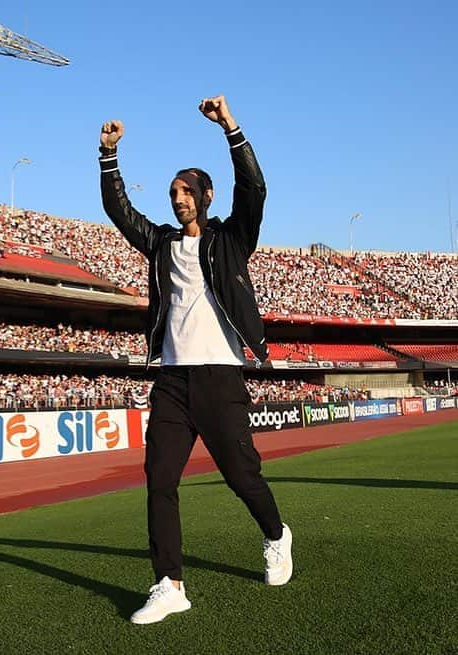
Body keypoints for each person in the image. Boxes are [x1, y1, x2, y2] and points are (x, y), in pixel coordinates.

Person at [99, 96, 293, 625]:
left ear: (206, 196)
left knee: (241, 477)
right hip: (171, 379)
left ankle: (277, 536)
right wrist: (108, 155)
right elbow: (120, 212)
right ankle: (169, 584)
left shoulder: (231, 240)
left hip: (220, 375)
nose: (178, 199)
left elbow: (254, 189)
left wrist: (230, 126)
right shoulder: (160, 244)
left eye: (186, 191)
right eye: (172, 193)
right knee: (159, 480)